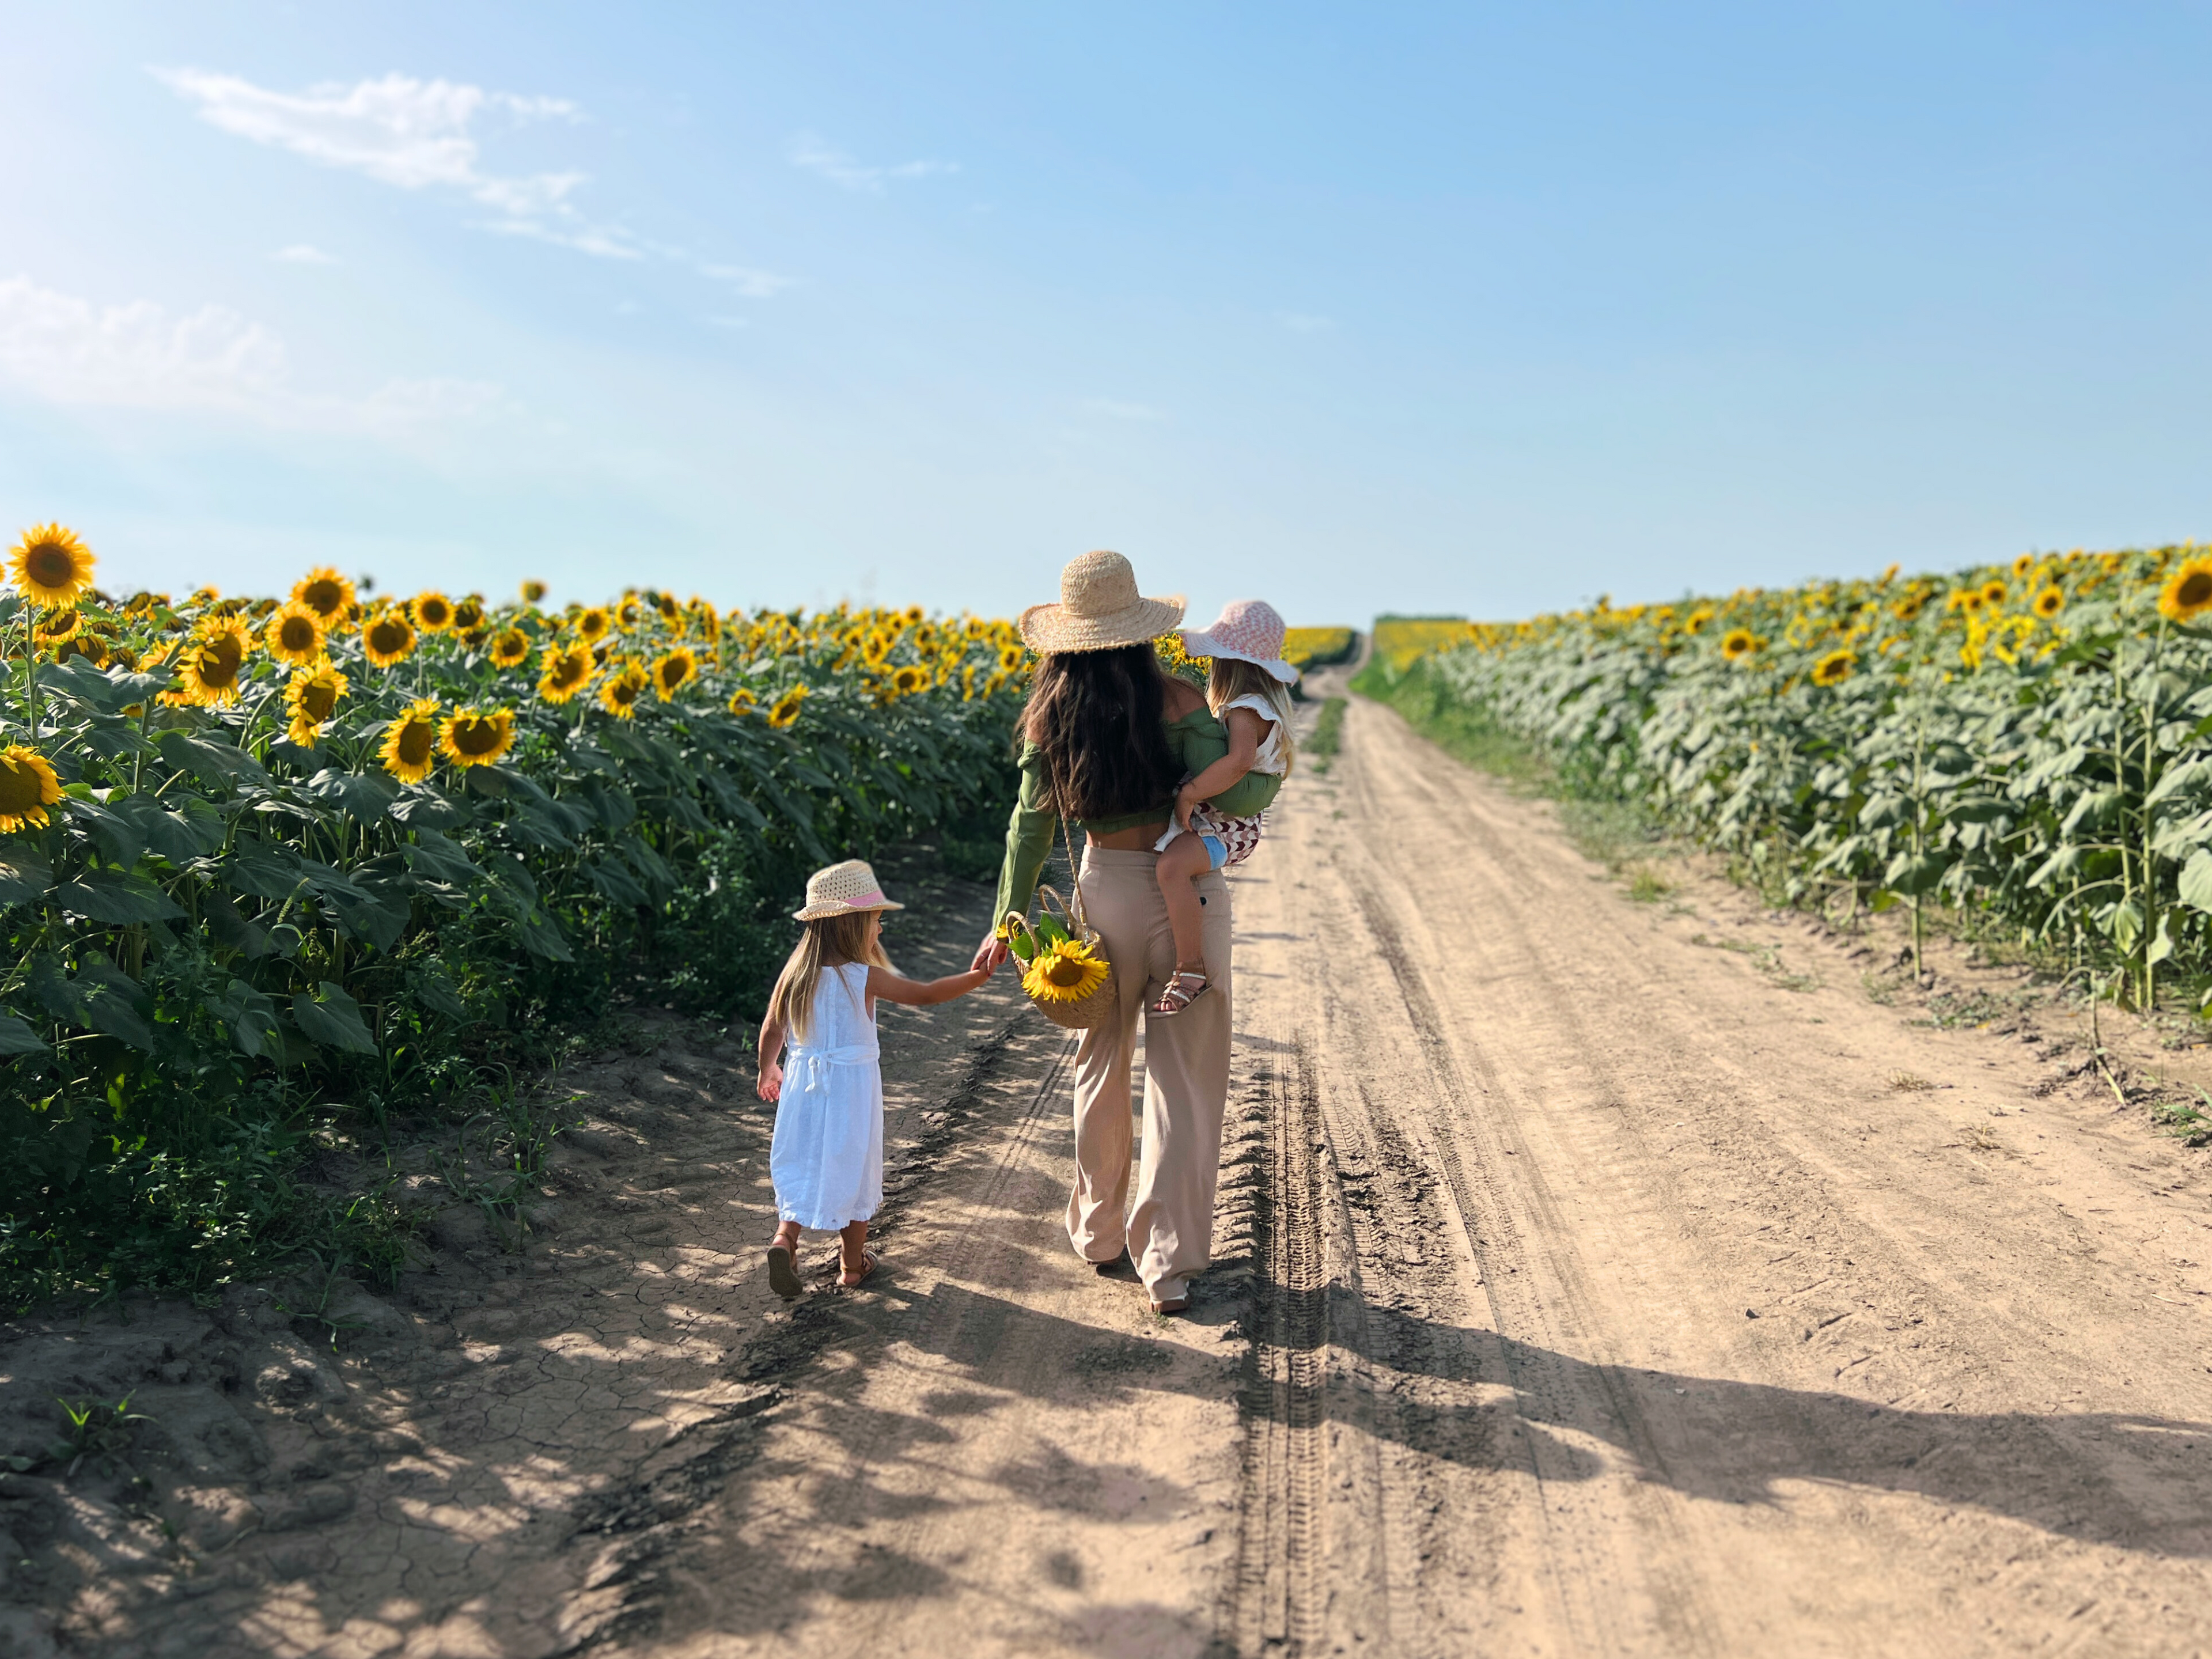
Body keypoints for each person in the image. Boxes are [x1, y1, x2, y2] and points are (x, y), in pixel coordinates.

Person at [976, 550, 1271, 1314]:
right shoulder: (1178, 701)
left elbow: (1027, 826)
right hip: (1187, 891)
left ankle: (1099, 1232)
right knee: (1187, 1077)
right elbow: (1236, 787)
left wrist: (1009, 915)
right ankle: (1166, 1262)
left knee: (1100, 1062)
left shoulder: (1052, 718)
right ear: (1142, 630)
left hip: (1103, 891)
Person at [759, 858, 994, 1297]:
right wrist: (979, 976)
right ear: (852, 925)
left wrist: (767, 1068)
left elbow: (773, 1027)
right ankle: (851, 1265)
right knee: (854, 1168)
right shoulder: (864, 977)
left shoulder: (794, 975)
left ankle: (785, 1240)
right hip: (850, 1094)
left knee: (805, 1162)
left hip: (802, 1090)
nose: (880, 931)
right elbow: (926, 994)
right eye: (876, 921)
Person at [1149, 600, 1299, 1016]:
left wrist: (1191, 793)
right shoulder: (1259, 705)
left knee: (1171, 868)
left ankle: (1189, 969)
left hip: (1231, 829)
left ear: (1229, 664)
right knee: (1172, 867)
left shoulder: (1245, 709)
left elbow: (1238, 762)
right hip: (1233, 824)